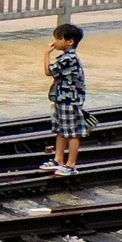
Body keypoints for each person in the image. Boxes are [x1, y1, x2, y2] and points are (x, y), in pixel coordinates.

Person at [43, 23, 87, 176]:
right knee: (62, 130)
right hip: (62, 99)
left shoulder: (69, 58)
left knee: (72, 132)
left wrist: (46, 54)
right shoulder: (66, 57)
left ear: (70, 41)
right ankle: (58, 159)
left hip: (70, 100)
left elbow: (49, 72)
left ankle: (71, 164)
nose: (55, 41)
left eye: (59, 38)